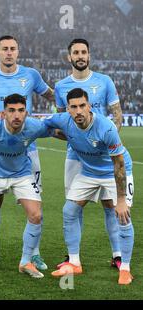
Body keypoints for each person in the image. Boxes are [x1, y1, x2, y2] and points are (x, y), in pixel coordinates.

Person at [0, 35, 54, 271]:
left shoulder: (31, 75)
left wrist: (63, 109)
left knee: (36, 206)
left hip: (28, 149)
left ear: (18, 52)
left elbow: (51, 95)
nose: (8, 52)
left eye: (12, 49)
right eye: (4, 49)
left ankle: (33, 254)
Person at [0, 94, 58, 279]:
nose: (17, 115)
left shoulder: (34, 126)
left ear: (26, 112)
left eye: (21, 111)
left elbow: (58, 130)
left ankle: (25, 262)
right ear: (3, 112)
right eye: (12, 111)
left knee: (36, 215)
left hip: (21, 175)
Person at [46, 88, 134, 285]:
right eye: (74, 107)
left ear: (90, 106)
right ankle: (74, 263)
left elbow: (118, 164)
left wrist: (120, 200)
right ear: (67, 109)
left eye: (82, 106)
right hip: (89, 172)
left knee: (122, 215)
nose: (78, 111)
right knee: (69, 210)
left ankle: (125, 269)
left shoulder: (106, 127)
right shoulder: (63, 120)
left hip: (115, 171)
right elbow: (42, 124)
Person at [54, 38, 129, 270]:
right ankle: (73, 257)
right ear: (69, 57)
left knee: (110, 204)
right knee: (73, 206)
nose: (80, 56)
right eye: (75, 52)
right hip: (76, 155)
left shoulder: (104, 81)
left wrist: (101, 143)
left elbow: (117, 117)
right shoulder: (60, 86)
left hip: (104, 156)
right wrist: (81, 142)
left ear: (89, 55)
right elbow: (61, 123)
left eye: (84, 52)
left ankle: (117, 255)